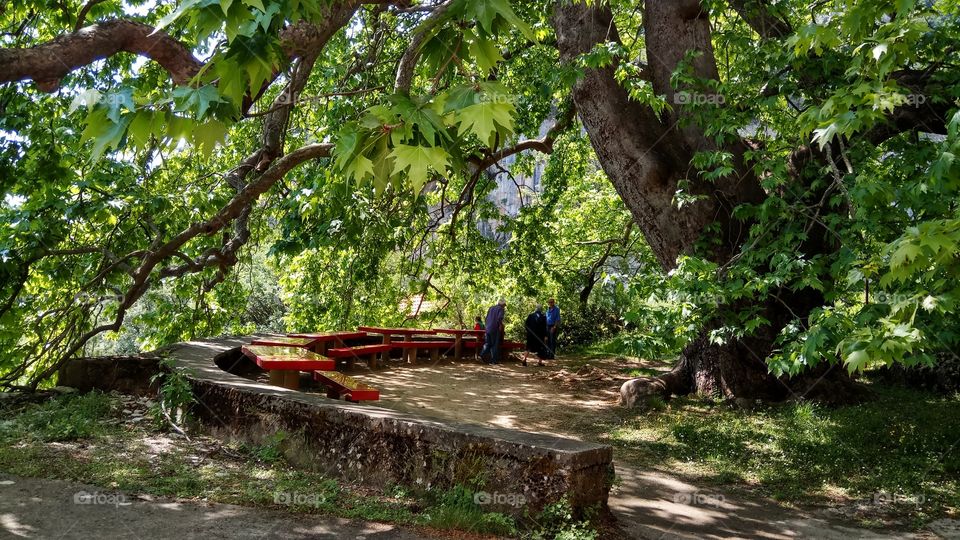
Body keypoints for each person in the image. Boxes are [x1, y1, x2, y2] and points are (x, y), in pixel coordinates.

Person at [480, 299, 506, 364]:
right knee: (495, 344)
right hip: (495, 328)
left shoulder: (491, 308)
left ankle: (482, 355)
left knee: (488, 343)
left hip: (488, 328)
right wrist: (500, 325)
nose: (504, 307)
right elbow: (499, 318)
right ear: (502, 305)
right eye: (504, 305)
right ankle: (494, 361)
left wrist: (486, 326)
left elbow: (486, 318)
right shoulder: (501, 309)